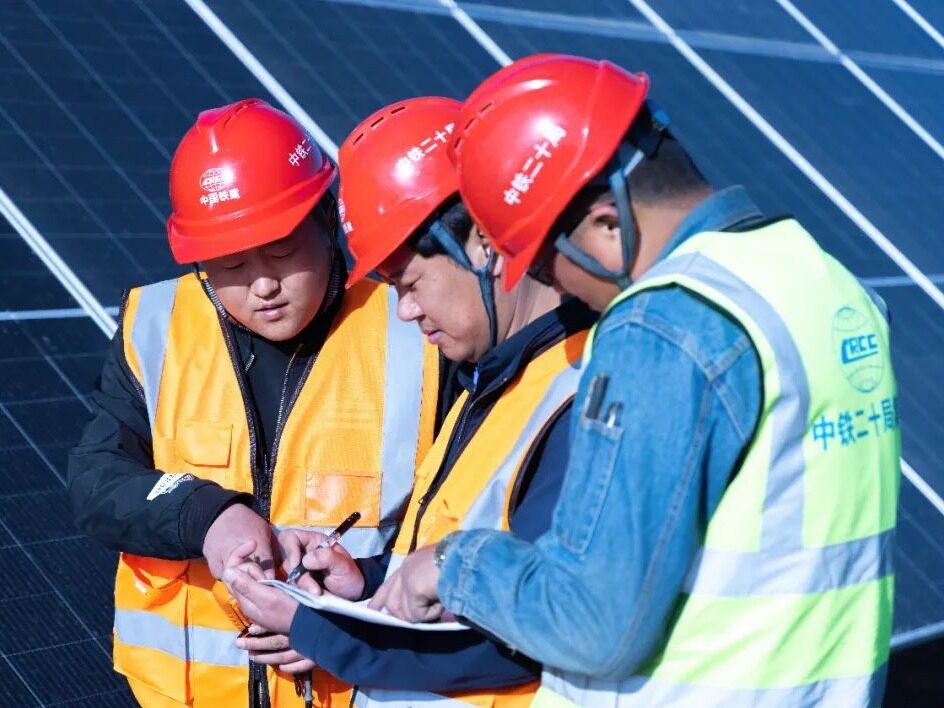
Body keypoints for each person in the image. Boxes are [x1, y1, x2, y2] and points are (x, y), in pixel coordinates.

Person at [372, 54, 902, 707]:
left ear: (608, 222)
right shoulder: (823, 282)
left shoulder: (661, 328)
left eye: (543, 259)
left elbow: (594, 624)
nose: (550, 285)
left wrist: (456, 565)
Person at [68, 98, 441, 708]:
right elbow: (96, 479)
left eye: (284, 252)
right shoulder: (155, 325)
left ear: (328, 223)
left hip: (351, 684)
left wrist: (354, 622)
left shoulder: (416, 328)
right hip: (180, 695)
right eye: (232, 264)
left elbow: (462, 524)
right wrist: (208, 516)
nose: (263, 285)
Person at [222, 96, 595, 706]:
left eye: (410, 283)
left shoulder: (580, 394)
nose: (406, 311)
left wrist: (321, 628)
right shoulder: (497, 380)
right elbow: (459, 572)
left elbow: (533, 630)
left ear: (483, 246)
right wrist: (366, 582)